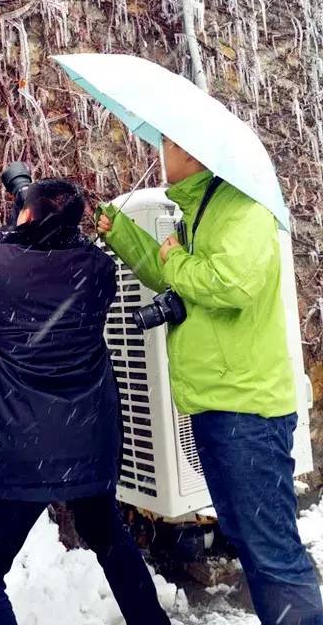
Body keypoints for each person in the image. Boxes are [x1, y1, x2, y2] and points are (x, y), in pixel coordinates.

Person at [97, 137, 323, 625]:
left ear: (195, 153)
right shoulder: (198, 211)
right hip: (215, 407)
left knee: (272, 553)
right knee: (251, 543)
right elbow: (173, 273)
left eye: (167, 144)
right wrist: (120, 232)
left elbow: (232, 283)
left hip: (247, 411)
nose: (159, 152)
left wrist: (177, 259)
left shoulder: (244, 206)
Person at [0, 178, 171, 625]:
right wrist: (50, 234)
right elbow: (70, 275)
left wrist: (13, 233)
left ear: (26, 214)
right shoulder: (95, 268)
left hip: (20, 452)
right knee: (108, 538)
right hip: (90, 444)